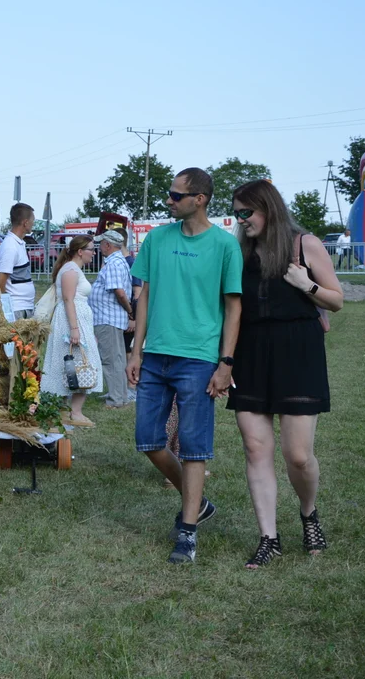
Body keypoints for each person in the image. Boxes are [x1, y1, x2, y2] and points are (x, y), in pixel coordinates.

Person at [127, 167, 243, 564]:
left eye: (176, 196)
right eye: (169, 194)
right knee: (148, 440)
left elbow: (233, 306)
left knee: (194, 448)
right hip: (156, 355)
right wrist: (135, 351)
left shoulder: (226, 246)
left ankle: (188, 532)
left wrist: (225, 362)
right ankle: (199, 504)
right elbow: (143, 298)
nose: (169, 201)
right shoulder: (157, 239)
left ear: (200, 199)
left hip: (199, 357)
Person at [228, 180, 343, 569]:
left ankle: (308, 514)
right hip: (251, 352)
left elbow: (336, 299)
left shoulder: (303, 244)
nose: (242, 221)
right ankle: (268, 538)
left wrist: (306, 283)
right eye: (238, 213)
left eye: (248, 212)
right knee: (256, 448)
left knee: (298, 456)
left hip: (298, 350)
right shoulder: (239, 252)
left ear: (269, 209)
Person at [41, 235, 103, 427]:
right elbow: (68, 300)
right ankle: (72, 412)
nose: (94, 253)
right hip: (70, 322)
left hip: (79, 321)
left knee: (81, 363)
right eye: (91, 249)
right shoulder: (70, 270)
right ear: (80, 251)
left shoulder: (73, 269)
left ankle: (71, 411)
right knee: (75, 363)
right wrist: (75, 329)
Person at [88, 230, 134, 408]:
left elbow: (119, 292)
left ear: (108, 245)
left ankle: (115, 399)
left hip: (108, 318)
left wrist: (129, 310)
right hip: (111, 317)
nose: (99, 248)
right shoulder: (118, 262)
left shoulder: (114, 263)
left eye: (101, 244)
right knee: (118, 358)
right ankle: (121, 396)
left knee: (110, 359)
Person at [0, 203, 36, 319]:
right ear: (25, 222)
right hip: (16, 310)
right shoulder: (10, 247)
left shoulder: (18, 244)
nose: (33, 224)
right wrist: (7, 312)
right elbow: (0, 283)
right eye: (32, 220)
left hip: (23, 309)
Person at [116, 227, 142, 404]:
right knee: (123, 350)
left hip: (130, 315)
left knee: (129, 350)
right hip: (121, 315)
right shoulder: (119, 260)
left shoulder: (131, 262)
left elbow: (137, 292)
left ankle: (132, 387)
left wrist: (133, 317)